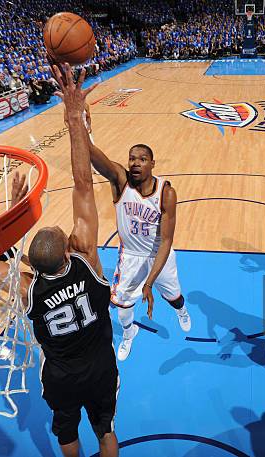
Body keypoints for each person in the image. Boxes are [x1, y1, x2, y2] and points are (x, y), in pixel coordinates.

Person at [0, 64, 119, 457]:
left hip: (62, 378)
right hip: (102, 367)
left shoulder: (28, 288)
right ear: (69, 251)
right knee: (107, 433)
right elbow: (84, 183)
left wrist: (9, 214)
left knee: (67, 436)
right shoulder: (88, 263)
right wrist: (72, 117)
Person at [88, 117, 192, 362]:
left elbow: (166, 241)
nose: (135, 163)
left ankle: (183, 312)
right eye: (132, 158)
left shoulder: (166, 192)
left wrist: (149, 283)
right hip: (131, 256)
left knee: (174, 296)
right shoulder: (120, 181)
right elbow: (93, 156)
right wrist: (82, 126)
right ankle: (128, 333)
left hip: (160, 256)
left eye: (142, 159)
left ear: (153, 164)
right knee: (123, 304)